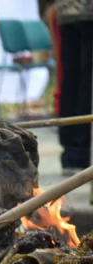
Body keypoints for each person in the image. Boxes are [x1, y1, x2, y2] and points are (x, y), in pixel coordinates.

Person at [56, 0, 93, 175]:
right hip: (87, 13)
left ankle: (71, 153)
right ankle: (82, 150)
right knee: (87, 81)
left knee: (72, 80)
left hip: (66, 11)